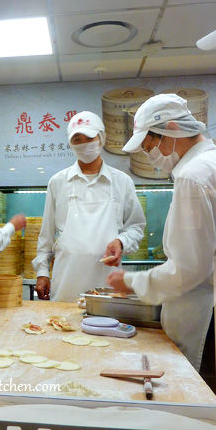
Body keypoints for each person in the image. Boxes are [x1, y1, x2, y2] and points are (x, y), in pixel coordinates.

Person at [107, 94, 216, 374]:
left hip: (202, 317)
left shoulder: (193, 176)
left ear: (172, 131)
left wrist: (133, 281)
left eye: (149, 145)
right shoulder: (209, 164)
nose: (150, 155)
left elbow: (188, 269)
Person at [33, 111, 145, 302]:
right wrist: (42, 272)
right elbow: (47, 235)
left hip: (106, 282)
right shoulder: (58, 182)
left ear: (101, 139)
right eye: (77, 139)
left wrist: (121, 242)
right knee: (63, 327)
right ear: (71, 144)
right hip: (66, 280)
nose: (84, 144)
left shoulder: (121, 181)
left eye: (89, 138)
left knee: (106, 327)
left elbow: (136, 226)